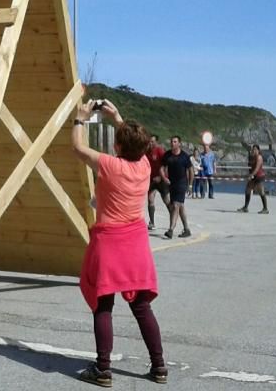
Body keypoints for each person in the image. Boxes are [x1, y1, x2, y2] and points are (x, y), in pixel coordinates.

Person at [71, 98, 167, 386]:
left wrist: (80, 118)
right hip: (136, 243)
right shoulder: (146, 167)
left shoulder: (110, 165)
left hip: (110, 242)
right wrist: (117, 118)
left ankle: (103, 369)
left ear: (118, 146)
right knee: (141, 307)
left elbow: (77, 148)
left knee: (103, 306)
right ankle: (159, 366)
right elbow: (138, 145)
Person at [160, 136, 193, 239]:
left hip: (182, 183)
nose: (172, 143)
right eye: (171, 142)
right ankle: (187, 229)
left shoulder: (185, 156)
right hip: (171, 183)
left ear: (179, 144)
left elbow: (191, 171)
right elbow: (161, 168)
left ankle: (170, 230)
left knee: (175, 205)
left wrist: (190, 185)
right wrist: (164, 178)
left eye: (175, 142)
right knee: (180, 206)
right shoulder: (167, 155)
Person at [145, 135, 168, 230]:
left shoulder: (160, 151)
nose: (150, 143)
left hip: (161, 179)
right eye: (149, 142)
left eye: (152, 142)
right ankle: (152, 222)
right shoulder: (147, 152)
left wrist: (161, 176)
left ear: (156, 142)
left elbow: (167, 165)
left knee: (166, 200)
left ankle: (172, 219)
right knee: (150, 200)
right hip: (151, 179)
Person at [238, 144, 269, 214]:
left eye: (255, 149)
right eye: (253, 149)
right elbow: (250, 166)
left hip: (259, 176)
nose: (254, 150)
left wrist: (251, 175)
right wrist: (250, 175)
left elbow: (257, 168)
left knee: (261, 192)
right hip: (253, 176)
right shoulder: (252, 157)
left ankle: (265, 208)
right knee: (247, 190)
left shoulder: (259, 157)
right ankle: (245, 207)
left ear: (258, 150)